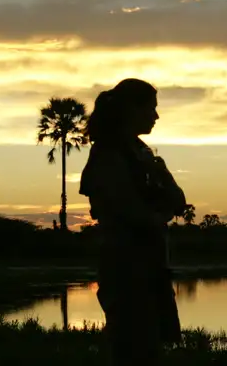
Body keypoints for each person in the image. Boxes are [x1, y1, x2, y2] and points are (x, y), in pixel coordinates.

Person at [79, 78, 187, 365]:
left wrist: (162, 197)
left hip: (151, 266)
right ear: (130, 110)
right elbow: (133, 213)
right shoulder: (108, 155)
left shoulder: (140, 153)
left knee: (150, 348)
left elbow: (177, 201)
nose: (156, 116)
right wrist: (160, 212)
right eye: (150, 108)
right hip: (126, 267)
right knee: (132, 348)